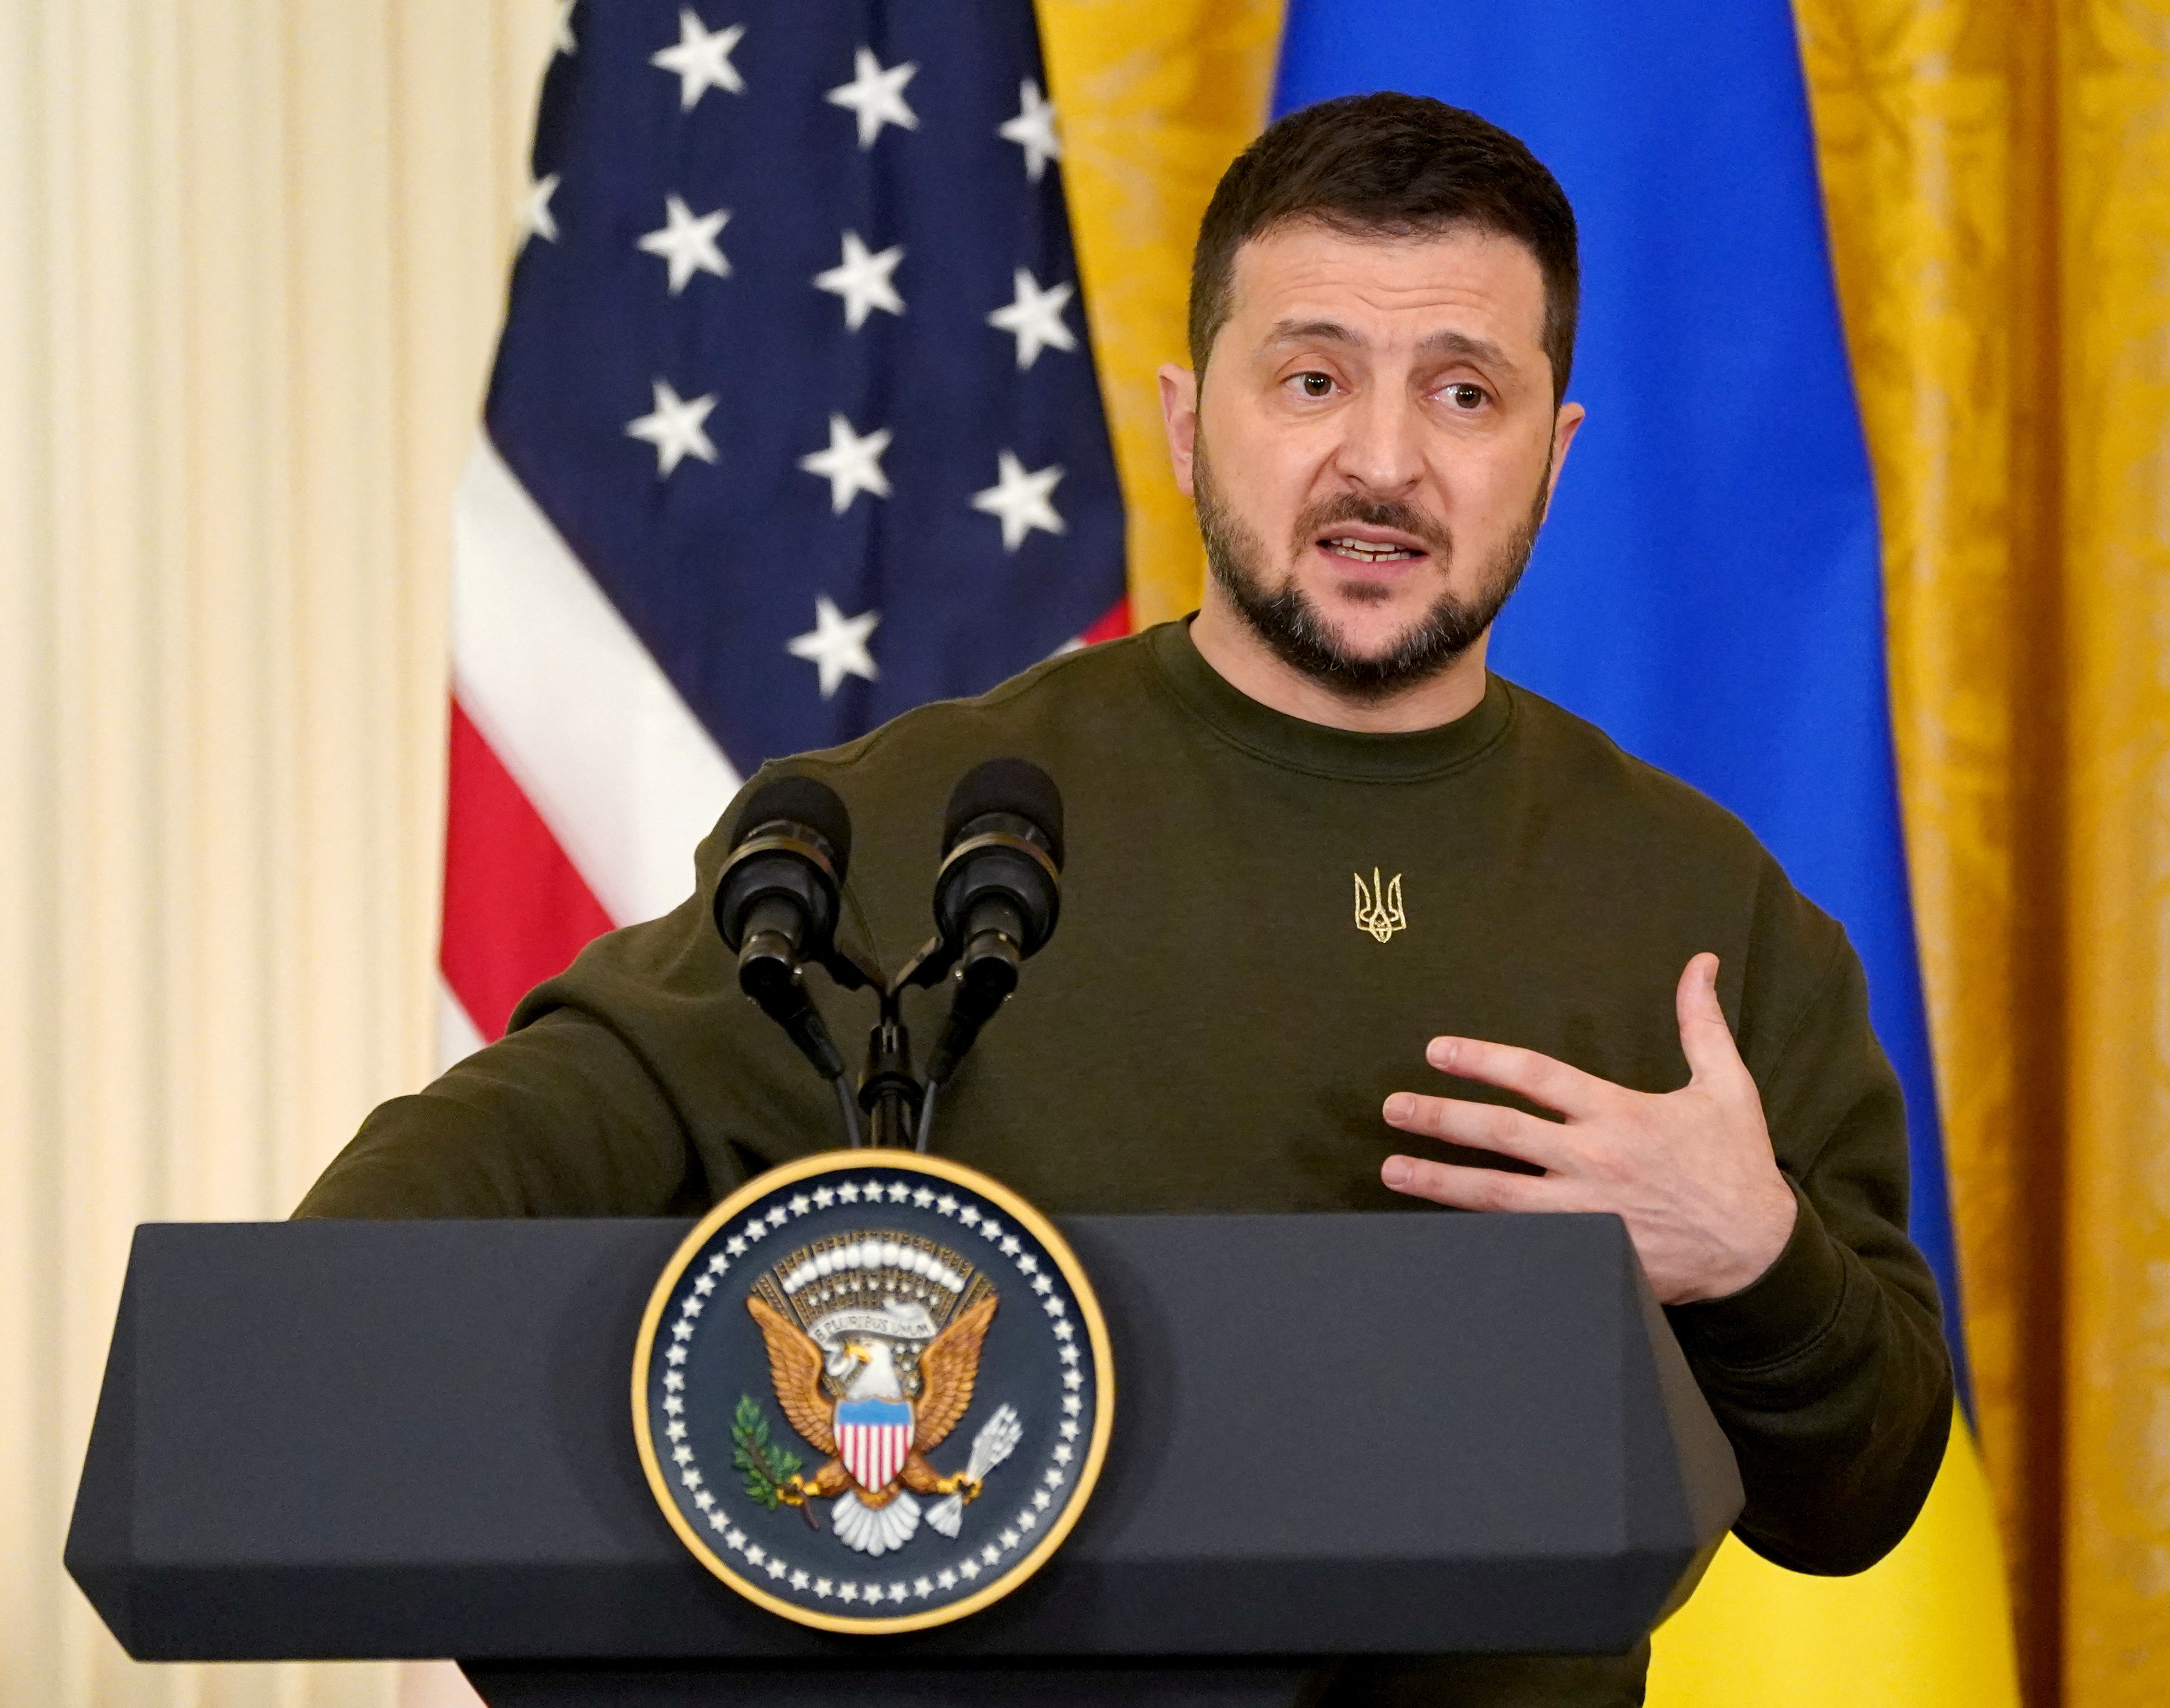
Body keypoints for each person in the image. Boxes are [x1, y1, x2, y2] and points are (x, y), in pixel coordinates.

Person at [302, 92, 1952, 1705]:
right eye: (1311, 377)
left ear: (1553, 449)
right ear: (1183, 416)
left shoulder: (1698, 905)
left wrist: (1753, 1258)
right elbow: (514, 1146)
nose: (1380, 459)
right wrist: (314, 1329)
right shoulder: (926, 828)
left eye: (1463, 393)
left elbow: (1857, 1499)